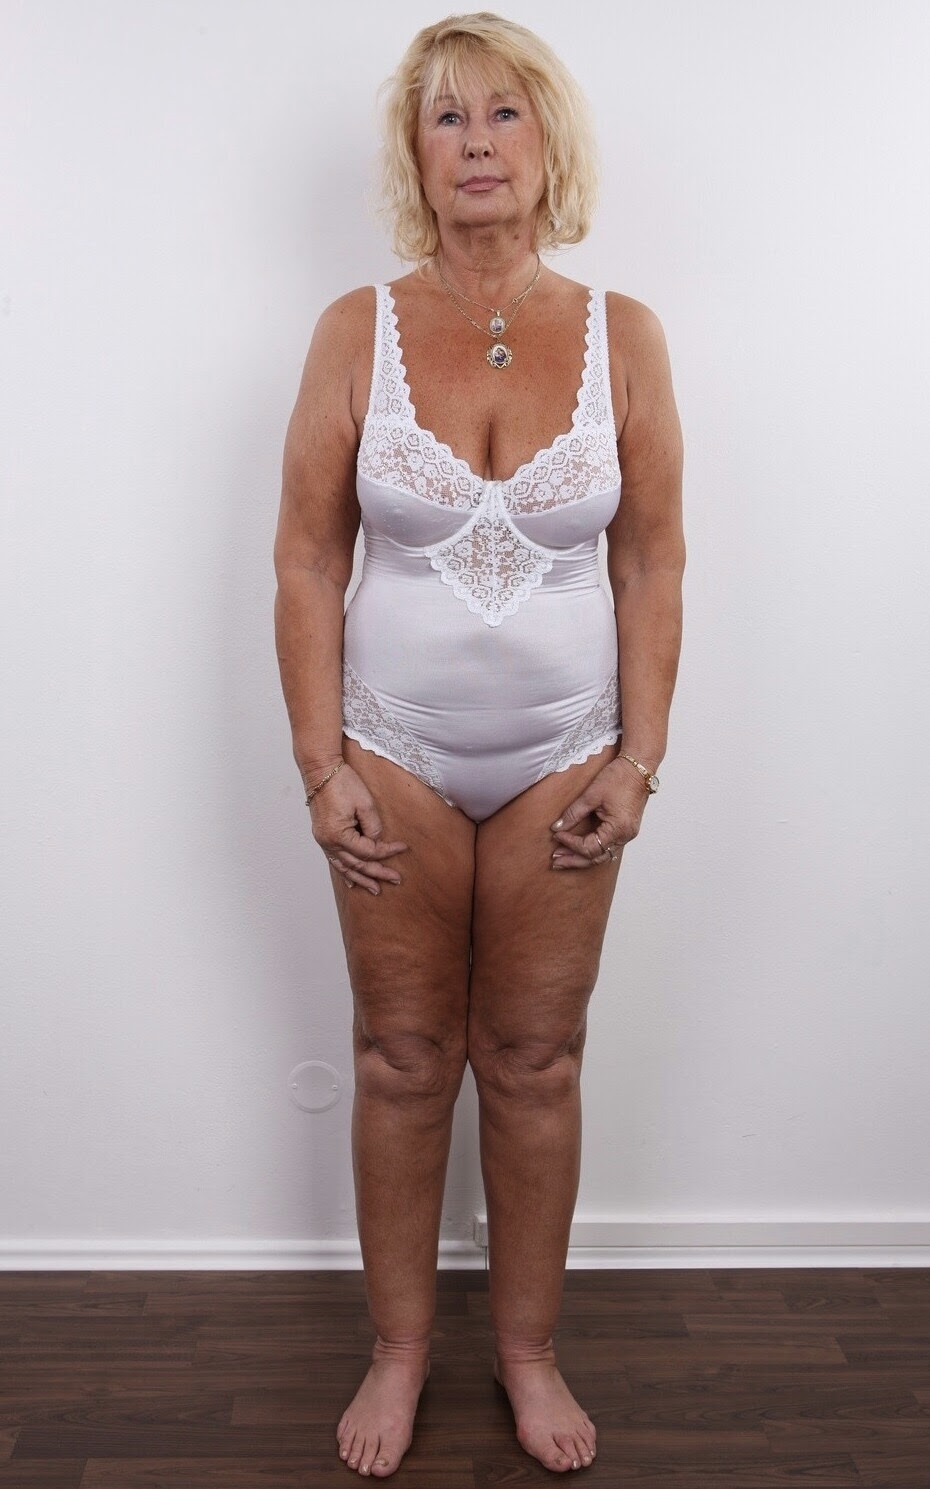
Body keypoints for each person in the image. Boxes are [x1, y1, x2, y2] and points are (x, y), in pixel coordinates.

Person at [273, 12, 684, 1478]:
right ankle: (399, 1350)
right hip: (388, 750)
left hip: (569, 755)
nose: (477, 144)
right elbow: (307, 559)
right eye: (447, 118)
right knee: (400, 1057)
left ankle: (526, 1348)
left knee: (534, 1057)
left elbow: (651, 559)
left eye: (504, 114)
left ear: (548, 142)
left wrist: (636, 759)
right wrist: (321, 765)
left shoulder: (626, 333)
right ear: (415, 154)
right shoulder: (356, 329)